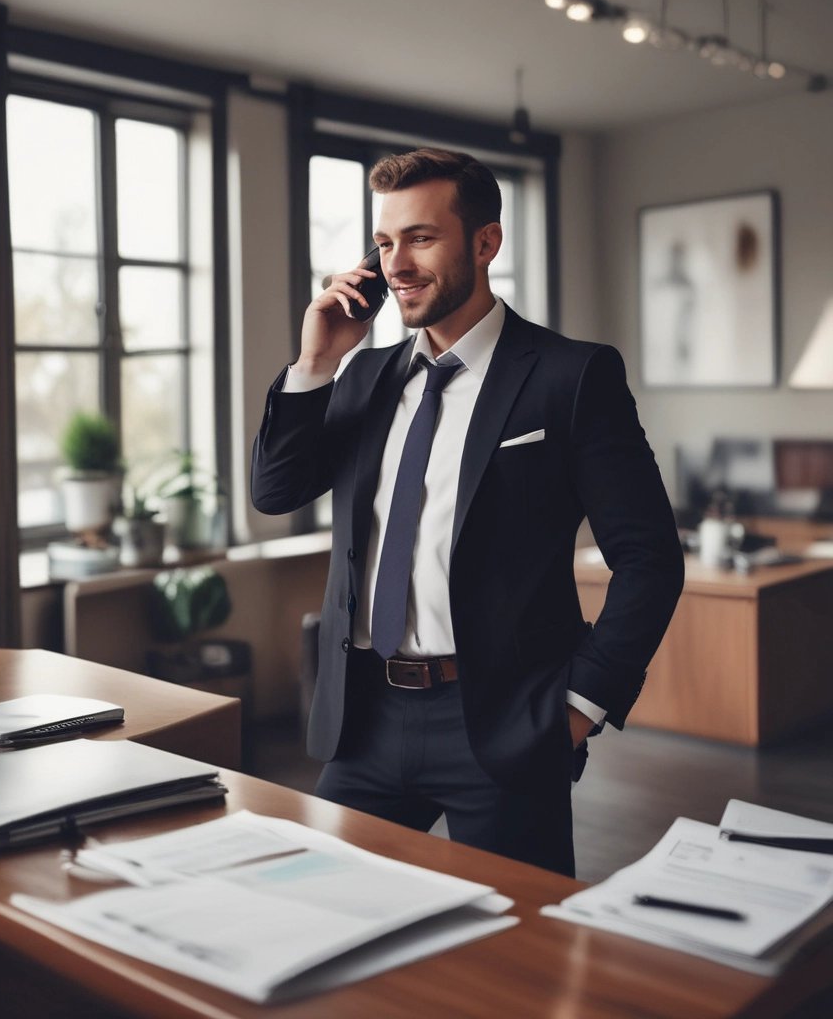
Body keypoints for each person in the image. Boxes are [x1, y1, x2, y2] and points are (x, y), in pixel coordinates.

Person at [251, 148, 684, 876]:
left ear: (486, 243)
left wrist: (579, 708)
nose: (396, 264)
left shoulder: (571, 377)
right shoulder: (362, 376)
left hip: (503, 723)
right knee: (325, 915)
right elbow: (275, 491)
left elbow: (650, 559)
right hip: (364, 721)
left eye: (420, 238)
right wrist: (315, 365)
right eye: (385, 243)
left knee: (522, 962)